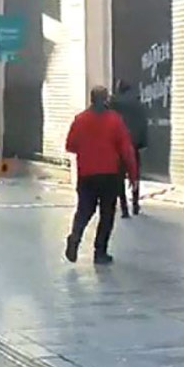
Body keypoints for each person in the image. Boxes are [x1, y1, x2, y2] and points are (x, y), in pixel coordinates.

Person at [65, 86, 138, 265]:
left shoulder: (80, 119)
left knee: (84, 210)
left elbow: (70, 145)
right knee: (107, 214)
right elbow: (126, 150)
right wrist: (133, 176)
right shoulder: (115, 120)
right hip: (109, 174)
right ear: (106, 99)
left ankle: (75, 238)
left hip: (87, 174)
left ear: (91, 99)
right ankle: (100, 252)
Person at [111, 79, 148, 217]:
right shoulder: (138, 104)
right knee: (135, 176)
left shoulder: (113, 104)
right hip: (134, 145)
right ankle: (136, 204)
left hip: (119, 147)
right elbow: (143, 124)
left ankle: (124, 208)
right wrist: (142, 143)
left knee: (119, 177)